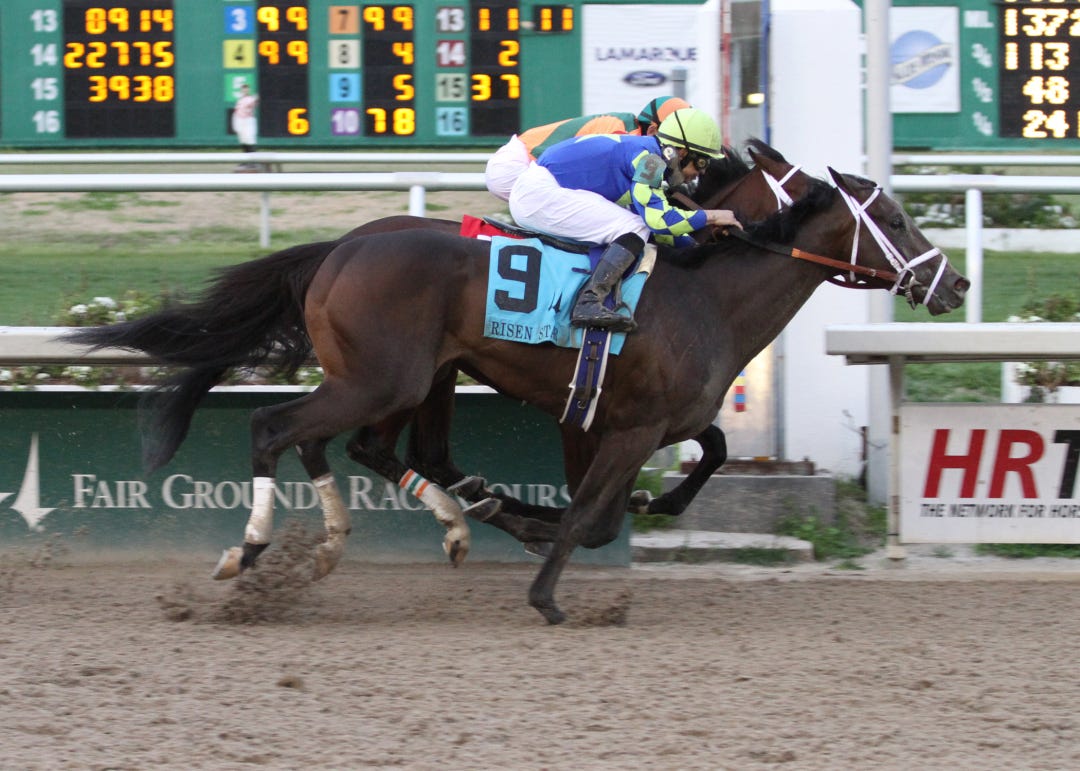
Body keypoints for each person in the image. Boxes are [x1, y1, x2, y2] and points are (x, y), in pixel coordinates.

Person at [507, 107, 742, 332]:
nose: (702, 172)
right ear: (681, 152)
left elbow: (657, 229)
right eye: (702, 162)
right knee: (633, 227)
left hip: (539, 191)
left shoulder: (647, 155)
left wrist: (697, 248)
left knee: (634, 224)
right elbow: (659, 221)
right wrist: (713, 216)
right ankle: (588, 302)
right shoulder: (651, 161)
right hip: (538, 195)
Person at [485, 96, 691, 201]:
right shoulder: (627, 134)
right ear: (653, 129)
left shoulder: (628, 128)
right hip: (519, 166)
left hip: (520, 162)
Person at [231, 83, 259, 161]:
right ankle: (245, 161)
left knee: (250, 140)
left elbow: (254, 102)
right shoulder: (240, 100)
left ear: (249, 90)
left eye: (246, 89)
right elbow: (237, 111)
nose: (245, 90)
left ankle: (254, 161)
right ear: (241, 90)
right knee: (243, 140)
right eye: (243, 89)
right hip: (240, 120)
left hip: (248, 121)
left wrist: (256, 98)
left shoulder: (251, 98)